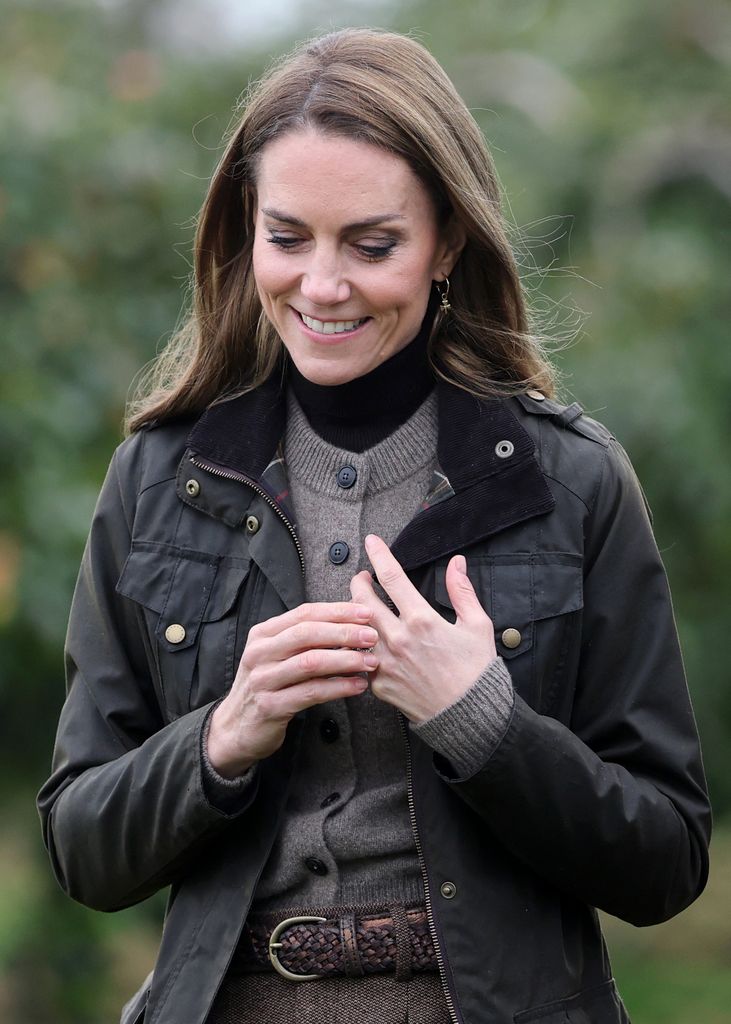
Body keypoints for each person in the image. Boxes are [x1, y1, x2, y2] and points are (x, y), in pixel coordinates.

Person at [37, 27, 711, 1024]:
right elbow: (82, 847)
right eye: (287, 236)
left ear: (445, 239)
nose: (319, 285)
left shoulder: (566, 482)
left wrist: (484, 721)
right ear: (243, 231)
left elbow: (665, 858)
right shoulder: (157, 481)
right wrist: (224, 735)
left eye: (371, 242)